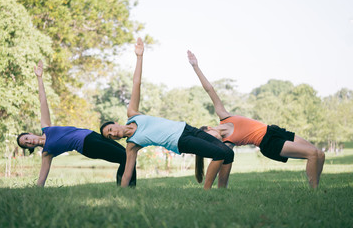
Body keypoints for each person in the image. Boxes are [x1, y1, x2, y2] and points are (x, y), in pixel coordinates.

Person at [100, 38, 234, 190]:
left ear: (115, 123)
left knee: (228, 153)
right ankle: (207, 191)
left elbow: (136, 83)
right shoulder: (131, 146)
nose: (113, 134)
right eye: (110, 136)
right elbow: (127, 174)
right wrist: (122, 193)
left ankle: (222, 191)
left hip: (186, 128)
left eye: (110, 129)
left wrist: (139, 57)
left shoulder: (132, 114)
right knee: (218, 153)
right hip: (180, 141)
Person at [187, 50, 325, 189]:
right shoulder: (227, 144)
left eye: (208, 137)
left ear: (209, 128)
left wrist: (195, 67)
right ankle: (314, 191)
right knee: (312, 154)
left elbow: (209, 89)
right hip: (268, 143)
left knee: (320, 154)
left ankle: (315, 188)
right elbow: (222, 178)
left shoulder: (223, 115)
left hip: (273, 130)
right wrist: (219, 189)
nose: (212, 142)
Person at [17, 60, 136, 187]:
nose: (29, 141)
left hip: (93, 135)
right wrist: (36, 190)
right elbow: (41, 180)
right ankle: (125, 189)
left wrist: (39, 78)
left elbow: (43, 101)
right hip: (87, 145)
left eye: (27, 138)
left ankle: (128, 189)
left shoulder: (46, 128)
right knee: (125, 157)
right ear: (29, 148)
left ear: (30, 134)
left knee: (129, 154)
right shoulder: (47, 153)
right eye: (27, 144)